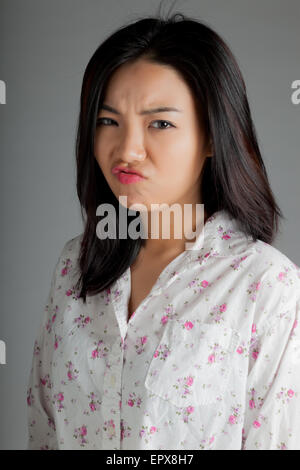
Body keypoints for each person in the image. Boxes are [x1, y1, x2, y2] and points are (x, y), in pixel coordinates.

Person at [26, 10, 300, 450]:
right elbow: (42, 431)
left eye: (160, 124)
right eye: (107, 121)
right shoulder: (73, 267)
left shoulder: (267, 289)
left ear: (212, 136)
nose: (127, 150)